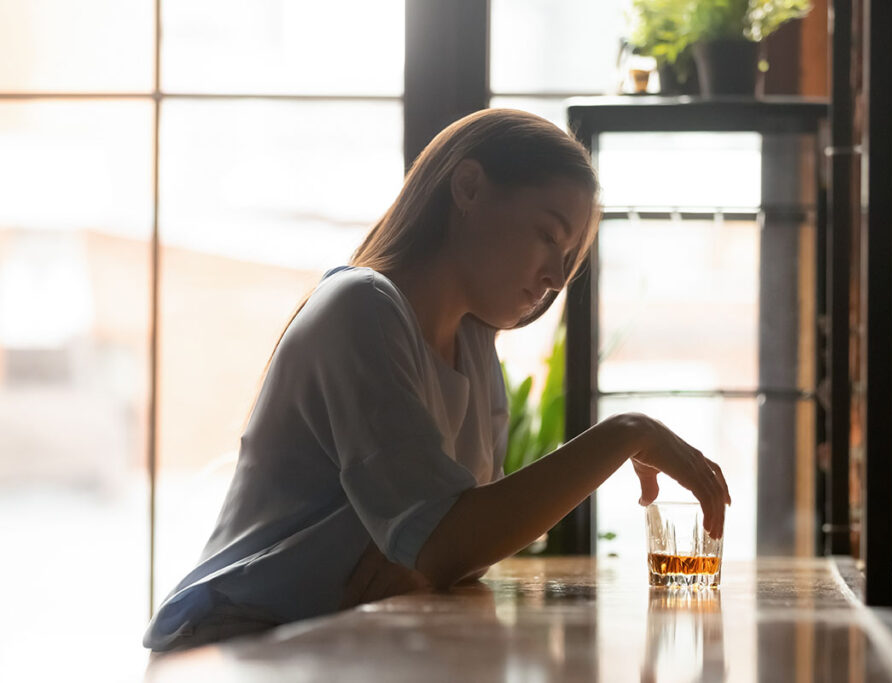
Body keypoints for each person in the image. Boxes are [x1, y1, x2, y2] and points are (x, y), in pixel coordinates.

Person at [143, 108, 731, 652]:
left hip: (337, 639)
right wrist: (627, 433)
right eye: (549, 235)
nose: (556, 275)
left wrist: (430, 553)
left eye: (568, 253)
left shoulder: (474, 347)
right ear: (469, 187)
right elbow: (449, 541)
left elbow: (459, 548)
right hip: (238, 645)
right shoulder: (361, 306)